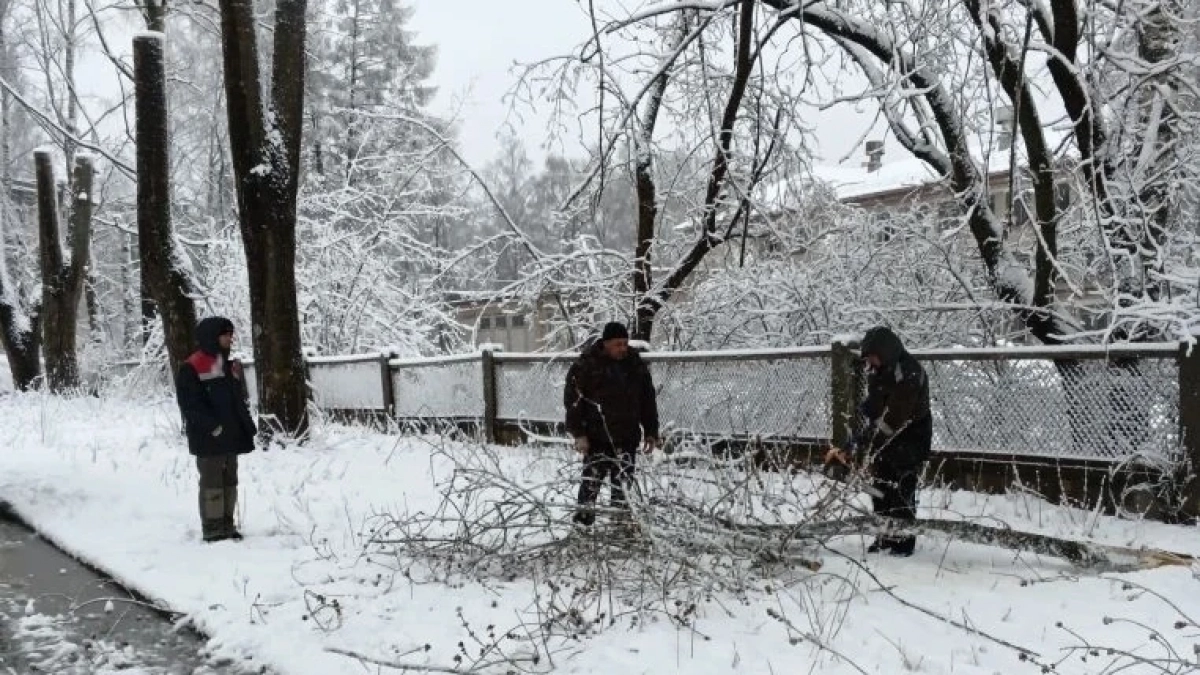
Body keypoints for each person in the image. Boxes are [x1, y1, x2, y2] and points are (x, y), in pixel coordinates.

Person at [826, 326, 931, 556]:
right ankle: (884, 536)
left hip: (911, 438)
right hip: (888, 437)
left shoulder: (909, 373)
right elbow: (873, 407)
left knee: (900, 488)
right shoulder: (879, 371)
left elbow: (892, 420)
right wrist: (853, 441)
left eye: (872, 357)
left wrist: (864, 442)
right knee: (880, 487)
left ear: (885, 351)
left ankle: (902, 541)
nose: (870, 363)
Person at [564, 321, 660, 527]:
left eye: (625, 343)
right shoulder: (587, 364)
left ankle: (620, 526)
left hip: (627, 438)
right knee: (590, 486)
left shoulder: (634, 364)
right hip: (597, 438)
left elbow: (647, 400)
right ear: (606, 343)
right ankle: (583, 523)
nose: (623, 348)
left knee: (623, 488)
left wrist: (651, 430)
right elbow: (573, 401)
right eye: (618, 344)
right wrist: (579, 434)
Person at [175, 317, 257, 542]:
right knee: (212, 482)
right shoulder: (192, 367)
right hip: (209, 437)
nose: (230, 338)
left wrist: (245, 427)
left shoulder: (229, 365)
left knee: (230, 481)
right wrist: (213, 427)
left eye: (231, 334)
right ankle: (213, 529)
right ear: (213, 336)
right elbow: (190, 405)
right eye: (226, 334)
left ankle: (227, 525)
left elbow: (238, 400)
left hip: (231, 435)